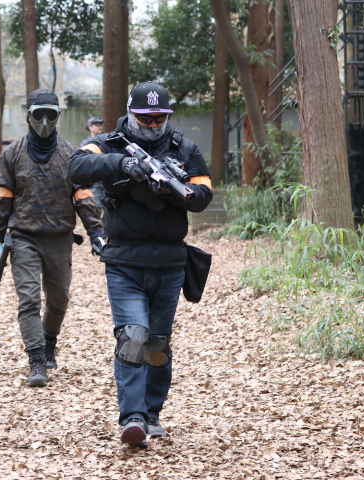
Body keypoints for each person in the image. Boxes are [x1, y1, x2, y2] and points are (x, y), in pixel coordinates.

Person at [67, 81, 213, 446]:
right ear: (131, 114)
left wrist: (174, 191)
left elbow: (203, 194)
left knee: (157, 345)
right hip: (124, 262)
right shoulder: (109, 143)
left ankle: (152, 414)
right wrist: (123, 164)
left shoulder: (184, 148)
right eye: (145, 118)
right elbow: (76, 167)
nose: (152, 125)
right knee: (132, 338)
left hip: (170, 263)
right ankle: (132, 419)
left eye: (159, 118)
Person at [0, 88, 105, 388]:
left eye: (50, 115)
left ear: (58, 117)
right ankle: (37, 359)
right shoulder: (12, 154)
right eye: (38, 115)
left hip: (60, 238)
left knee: (59, 299)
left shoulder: (71, 155)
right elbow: (3, 200)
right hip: (24, 237)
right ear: (28, 116)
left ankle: (49, 340)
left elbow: (83, 197)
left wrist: (96, 232)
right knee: (28, 300)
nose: (44, 122)